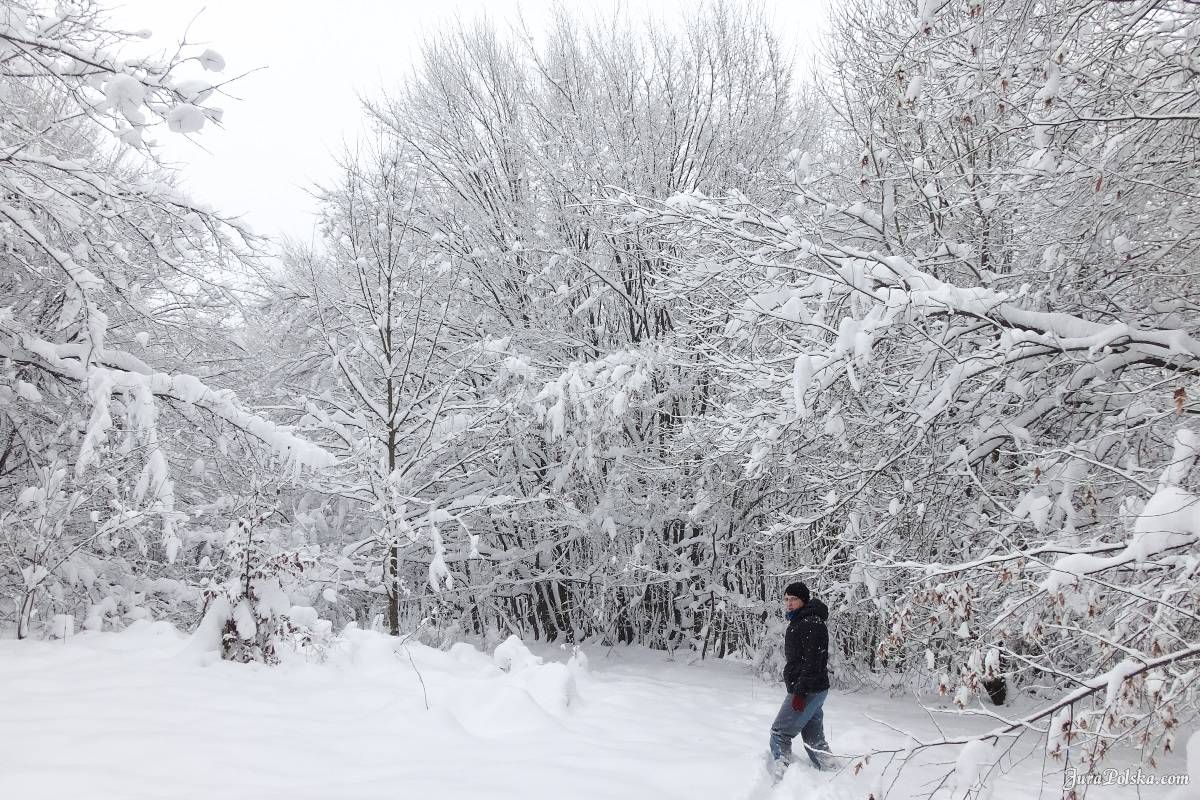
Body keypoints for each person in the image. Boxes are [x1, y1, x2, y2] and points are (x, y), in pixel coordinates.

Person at [769, 581, 833, 777]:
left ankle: (781, 776)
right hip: (815, 688)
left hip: (808, 690)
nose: (788, 603)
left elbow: (813, 663)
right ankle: (833, 773)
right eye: (786, 599)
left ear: (803, 600)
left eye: (793, 599)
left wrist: (799, 693)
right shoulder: (803, 621)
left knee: (779, 734)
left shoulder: (809, 624)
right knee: (814, 740)